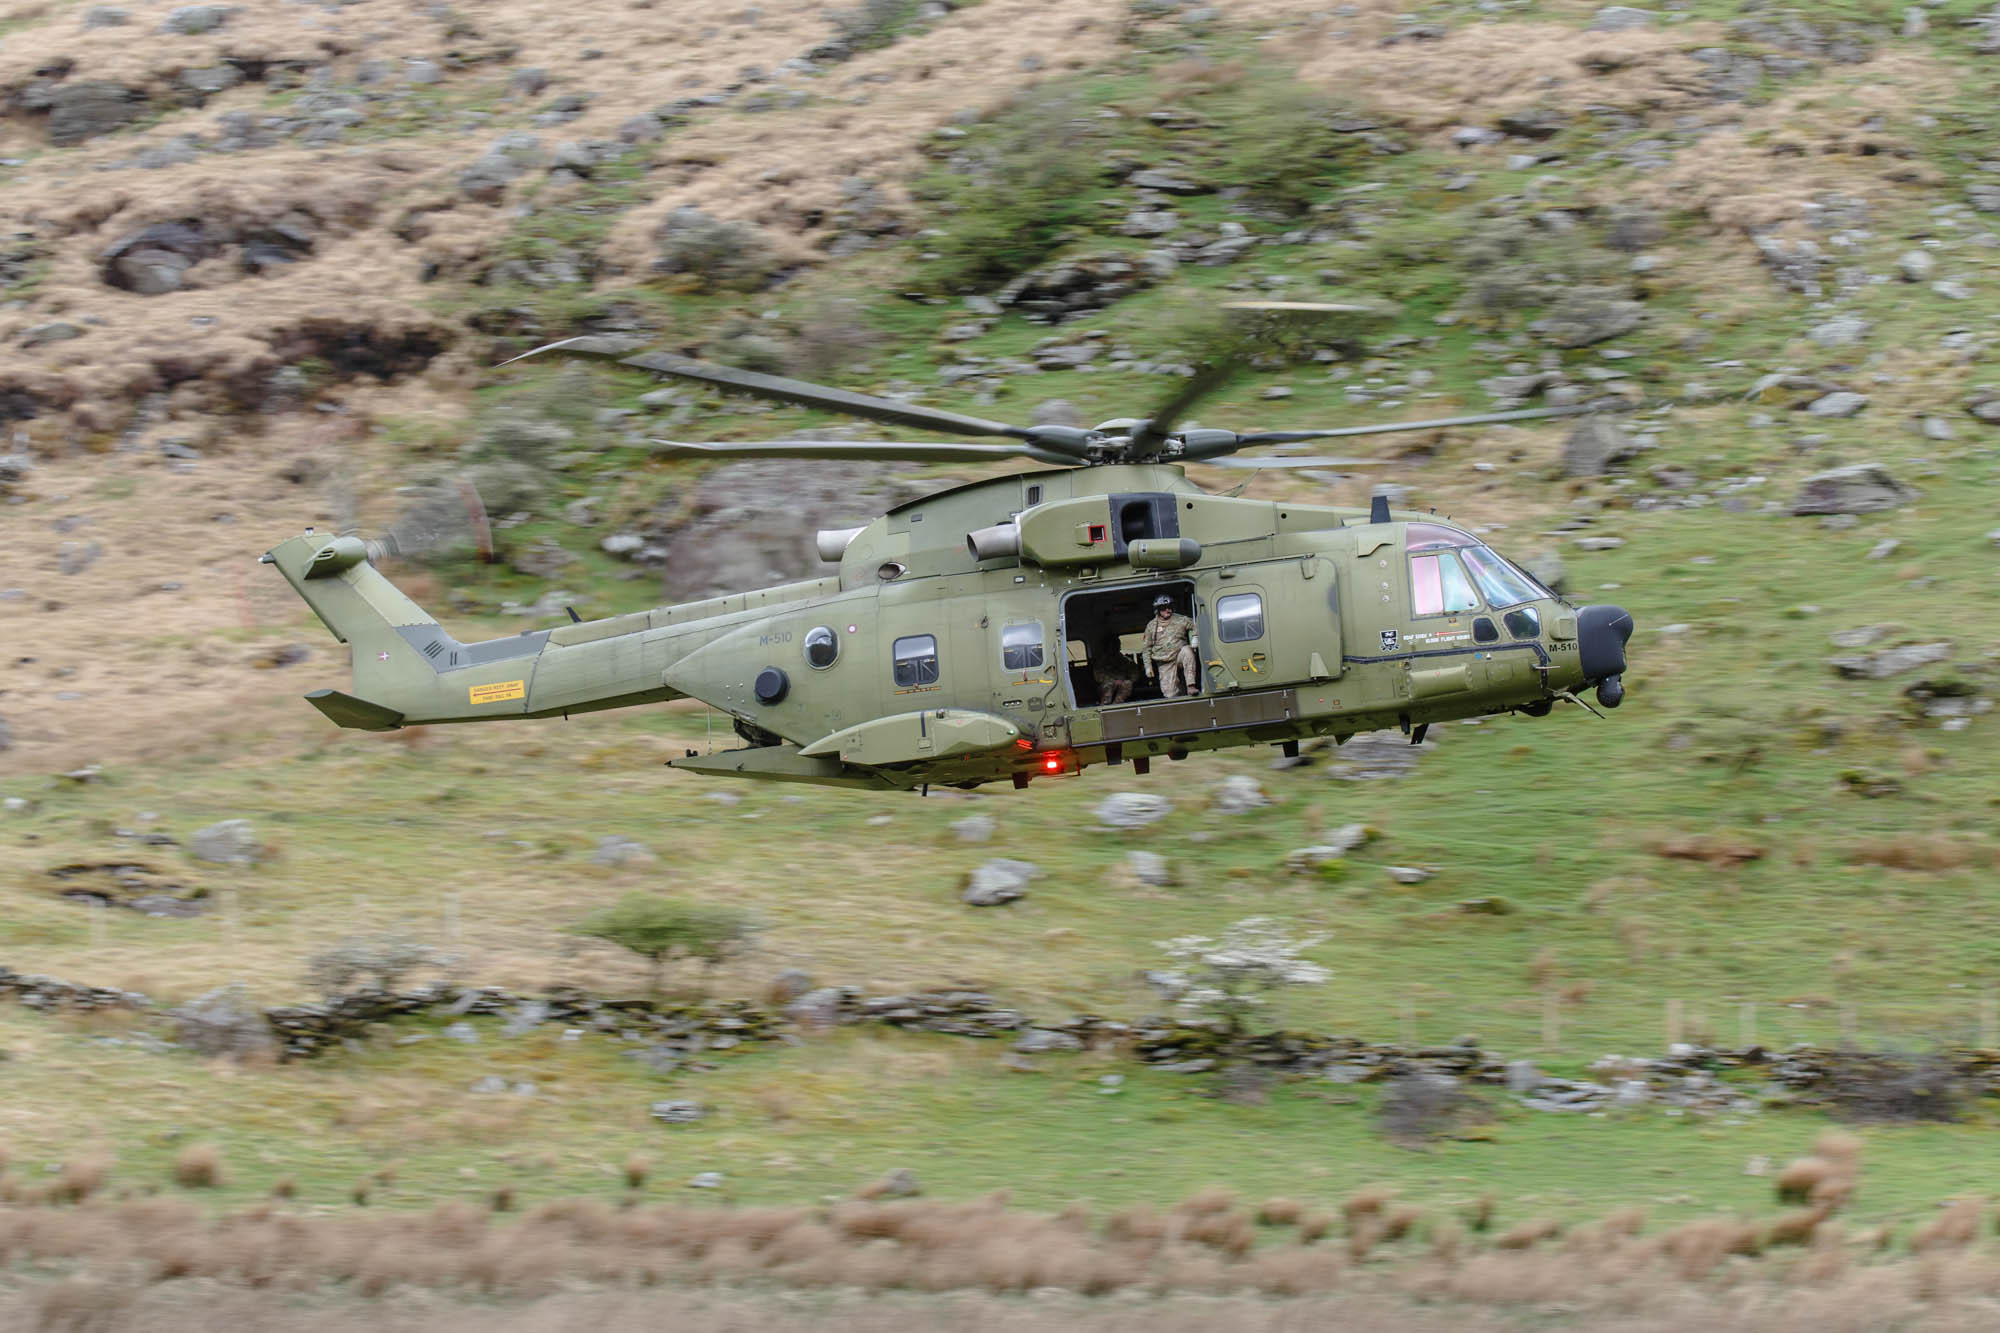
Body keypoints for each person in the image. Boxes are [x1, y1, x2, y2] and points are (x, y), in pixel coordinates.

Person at [1142, 595, 1200, 699]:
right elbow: (1146, 648)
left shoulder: (1181, 619)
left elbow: (1197, 624)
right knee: (1170, 695)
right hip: (1164, 661)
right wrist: (1148, 666)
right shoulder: (1151, 626)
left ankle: (1191, 685)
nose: (1168, 610)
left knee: (1187, 650)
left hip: (1179, 656)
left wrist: (1195, 636)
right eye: (1164, 608)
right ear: (1158, 610)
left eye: (1170, 607)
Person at [1092, 633, 1138, 706]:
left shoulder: (1126, 660)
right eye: (1111, 646)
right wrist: (1115, 681)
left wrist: (1125, 680)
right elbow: (1098, 677)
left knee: (1127, 684)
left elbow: (1135, 674)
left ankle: (1117, 705)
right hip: (1106, 683)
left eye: (1116, 645)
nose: (1113, 648)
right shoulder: (1101, 661)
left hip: (1123, 682)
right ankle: (1105, 706)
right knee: (1108, 686)